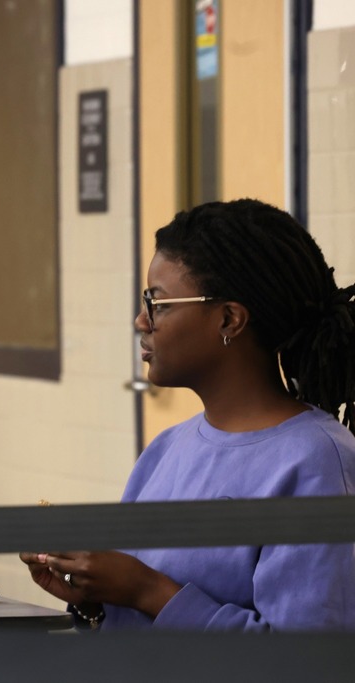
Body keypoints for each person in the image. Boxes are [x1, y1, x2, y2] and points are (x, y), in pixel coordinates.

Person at [21, 198, 355, 631]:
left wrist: (147, 590)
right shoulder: (166, 449)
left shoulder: (317, 463)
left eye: (157, 303)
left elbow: (307, 662)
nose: (142, 321)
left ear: (229, 319)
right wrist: (94, 596)